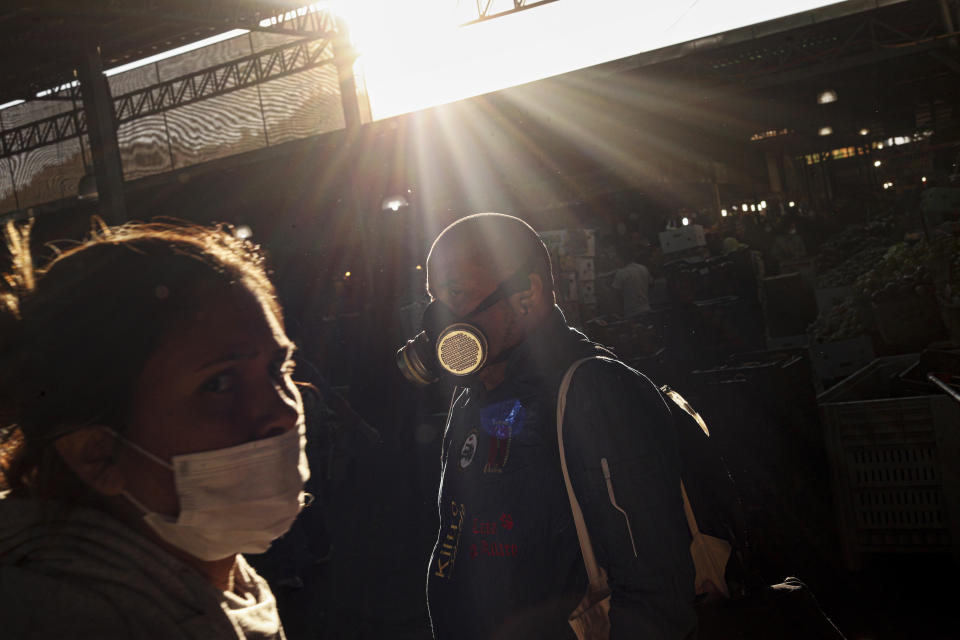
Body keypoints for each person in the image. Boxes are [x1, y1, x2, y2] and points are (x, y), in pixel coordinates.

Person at [0, 219, 310, 639]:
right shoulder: (70, 620)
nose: (284, 410)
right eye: (219, 383)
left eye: (278, 368)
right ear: (96, 453)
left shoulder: (194, 575)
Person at [396, 213, 696, 639]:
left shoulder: (595, 392)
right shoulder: (470, 398)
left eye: (456, 293)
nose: (437, 318)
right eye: (434, 298)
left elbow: (655, 595)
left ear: (526, 294)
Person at [611, 244, 652, 319]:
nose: (615, 259)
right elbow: (650, 285)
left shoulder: (621, 273)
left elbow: (616, 295)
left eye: (616, 257)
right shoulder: (643, 268)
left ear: (621, 257)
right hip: (647, 310)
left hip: (632, 314)